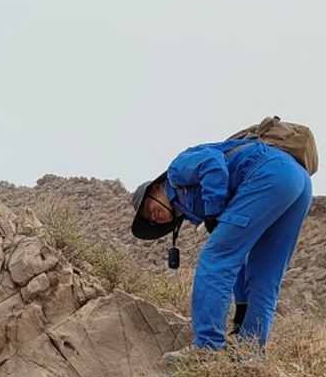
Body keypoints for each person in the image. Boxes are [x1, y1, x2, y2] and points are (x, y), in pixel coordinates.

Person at [130, 136, 314, 351]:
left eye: (146, 209)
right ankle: (250, 352)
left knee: (213, 257)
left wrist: (214, 210)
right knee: (265, 274)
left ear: (154, 189)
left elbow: (212, 163)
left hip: (269, 173)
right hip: (297, 182)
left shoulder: (176, 171)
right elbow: (235, 257)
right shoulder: (193, 209)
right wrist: (242, 303)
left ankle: (208, 347)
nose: (153, 217)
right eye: (149, 221)